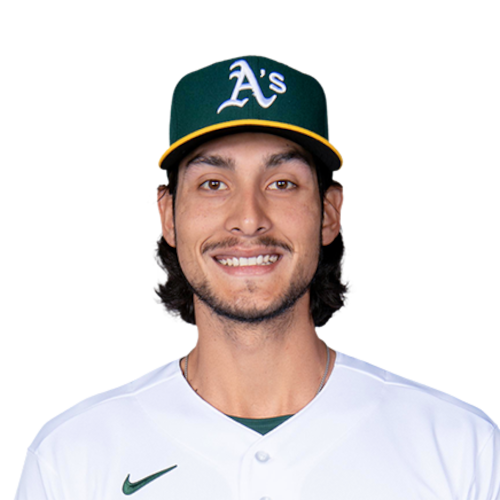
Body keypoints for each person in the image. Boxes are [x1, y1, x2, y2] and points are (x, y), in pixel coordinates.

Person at [14, 55, 499, 499]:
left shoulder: (461, 449)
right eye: (213, 184)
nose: (248, 219)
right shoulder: (73, 457)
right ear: (168, 215)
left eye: (282, 183)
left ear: (329, 212)